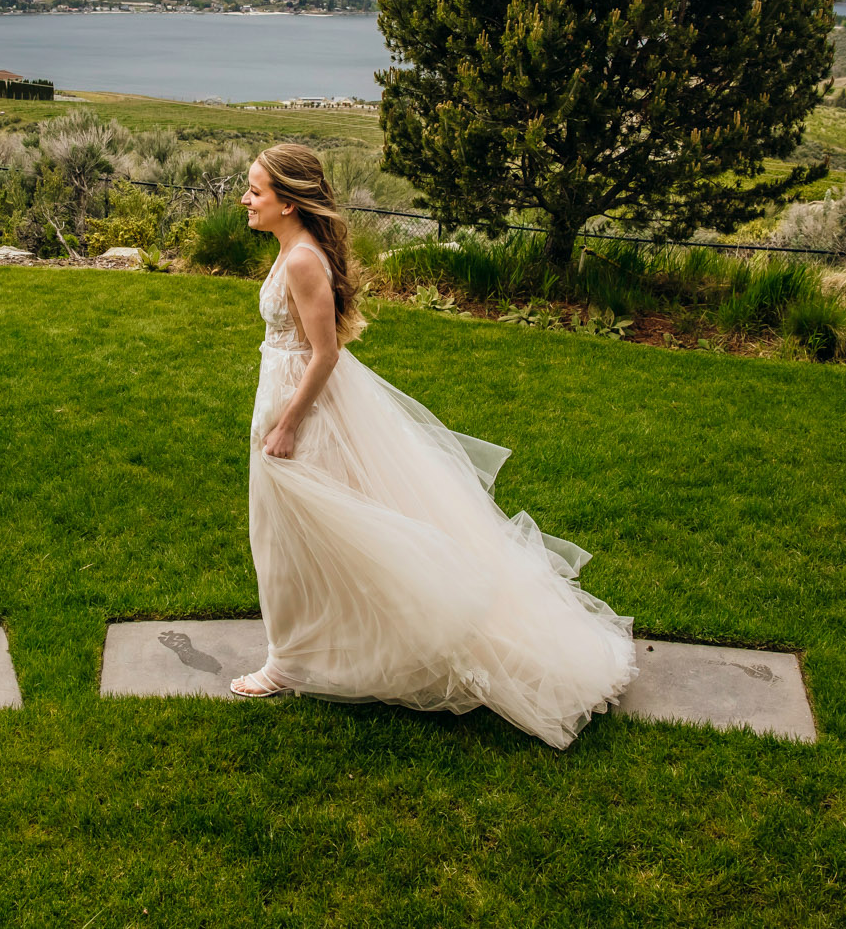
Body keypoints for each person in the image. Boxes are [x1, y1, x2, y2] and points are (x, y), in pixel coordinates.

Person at [227, 143, 639, 748]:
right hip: (284, 400)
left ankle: (289, 662)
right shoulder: (290, 249)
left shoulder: (302, 261)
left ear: (289, 201)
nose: (245, 198)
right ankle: (316, 644)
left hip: (303, 411)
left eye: (256, 191)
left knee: (294, 536)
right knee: (296, 536)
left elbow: (325, 353)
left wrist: (288, 423)